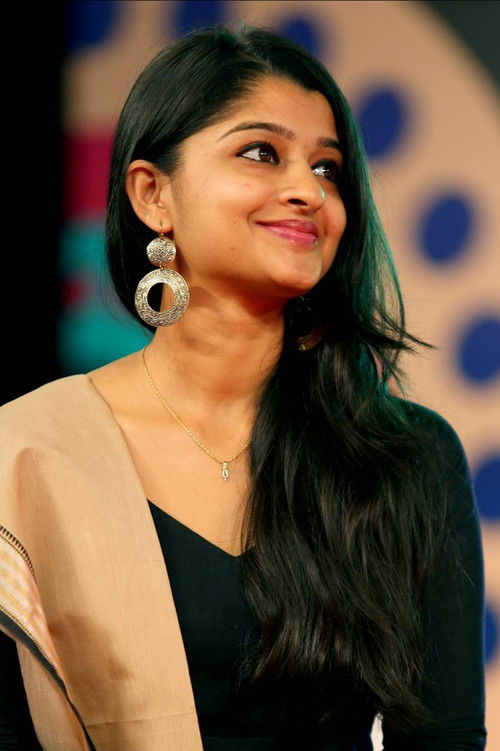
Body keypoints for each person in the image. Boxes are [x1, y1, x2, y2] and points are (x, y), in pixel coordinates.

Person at [0, 24, 486, 751]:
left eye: (328, 169)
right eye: (261, 153)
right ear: (153, 195)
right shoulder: (27, 452)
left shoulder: (401, 455)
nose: (308, 191)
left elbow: (444, 736)